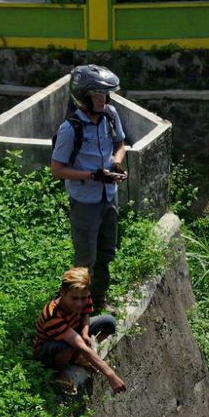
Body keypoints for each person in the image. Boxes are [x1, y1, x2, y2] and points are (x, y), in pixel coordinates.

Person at [51, 64, 127, 314]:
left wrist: (117, 163)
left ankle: (100, 300)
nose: (102, 100)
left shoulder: (110, 115)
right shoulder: (70, 128)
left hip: (109, 198)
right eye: (97, 95)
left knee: (106, 253)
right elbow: (57, 169)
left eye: (105, 95)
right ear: (83, 97)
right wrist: (93, 175)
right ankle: (75, 309)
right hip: (85, 202)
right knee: (85, 261)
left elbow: (121, 145)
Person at [34, 267, 126, 395]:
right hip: (49, 349)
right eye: (74, 299)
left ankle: (77, 358)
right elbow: (80, 345)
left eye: (83, 299)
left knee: (108, 322)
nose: (79, 303)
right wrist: (110, 374)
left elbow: (85, 315)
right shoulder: (53, 315)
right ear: (62, 292)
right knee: (68, 346)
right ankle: (60, 372)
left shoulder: (83, 295)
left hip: (74, 333)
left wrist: (84, 332)